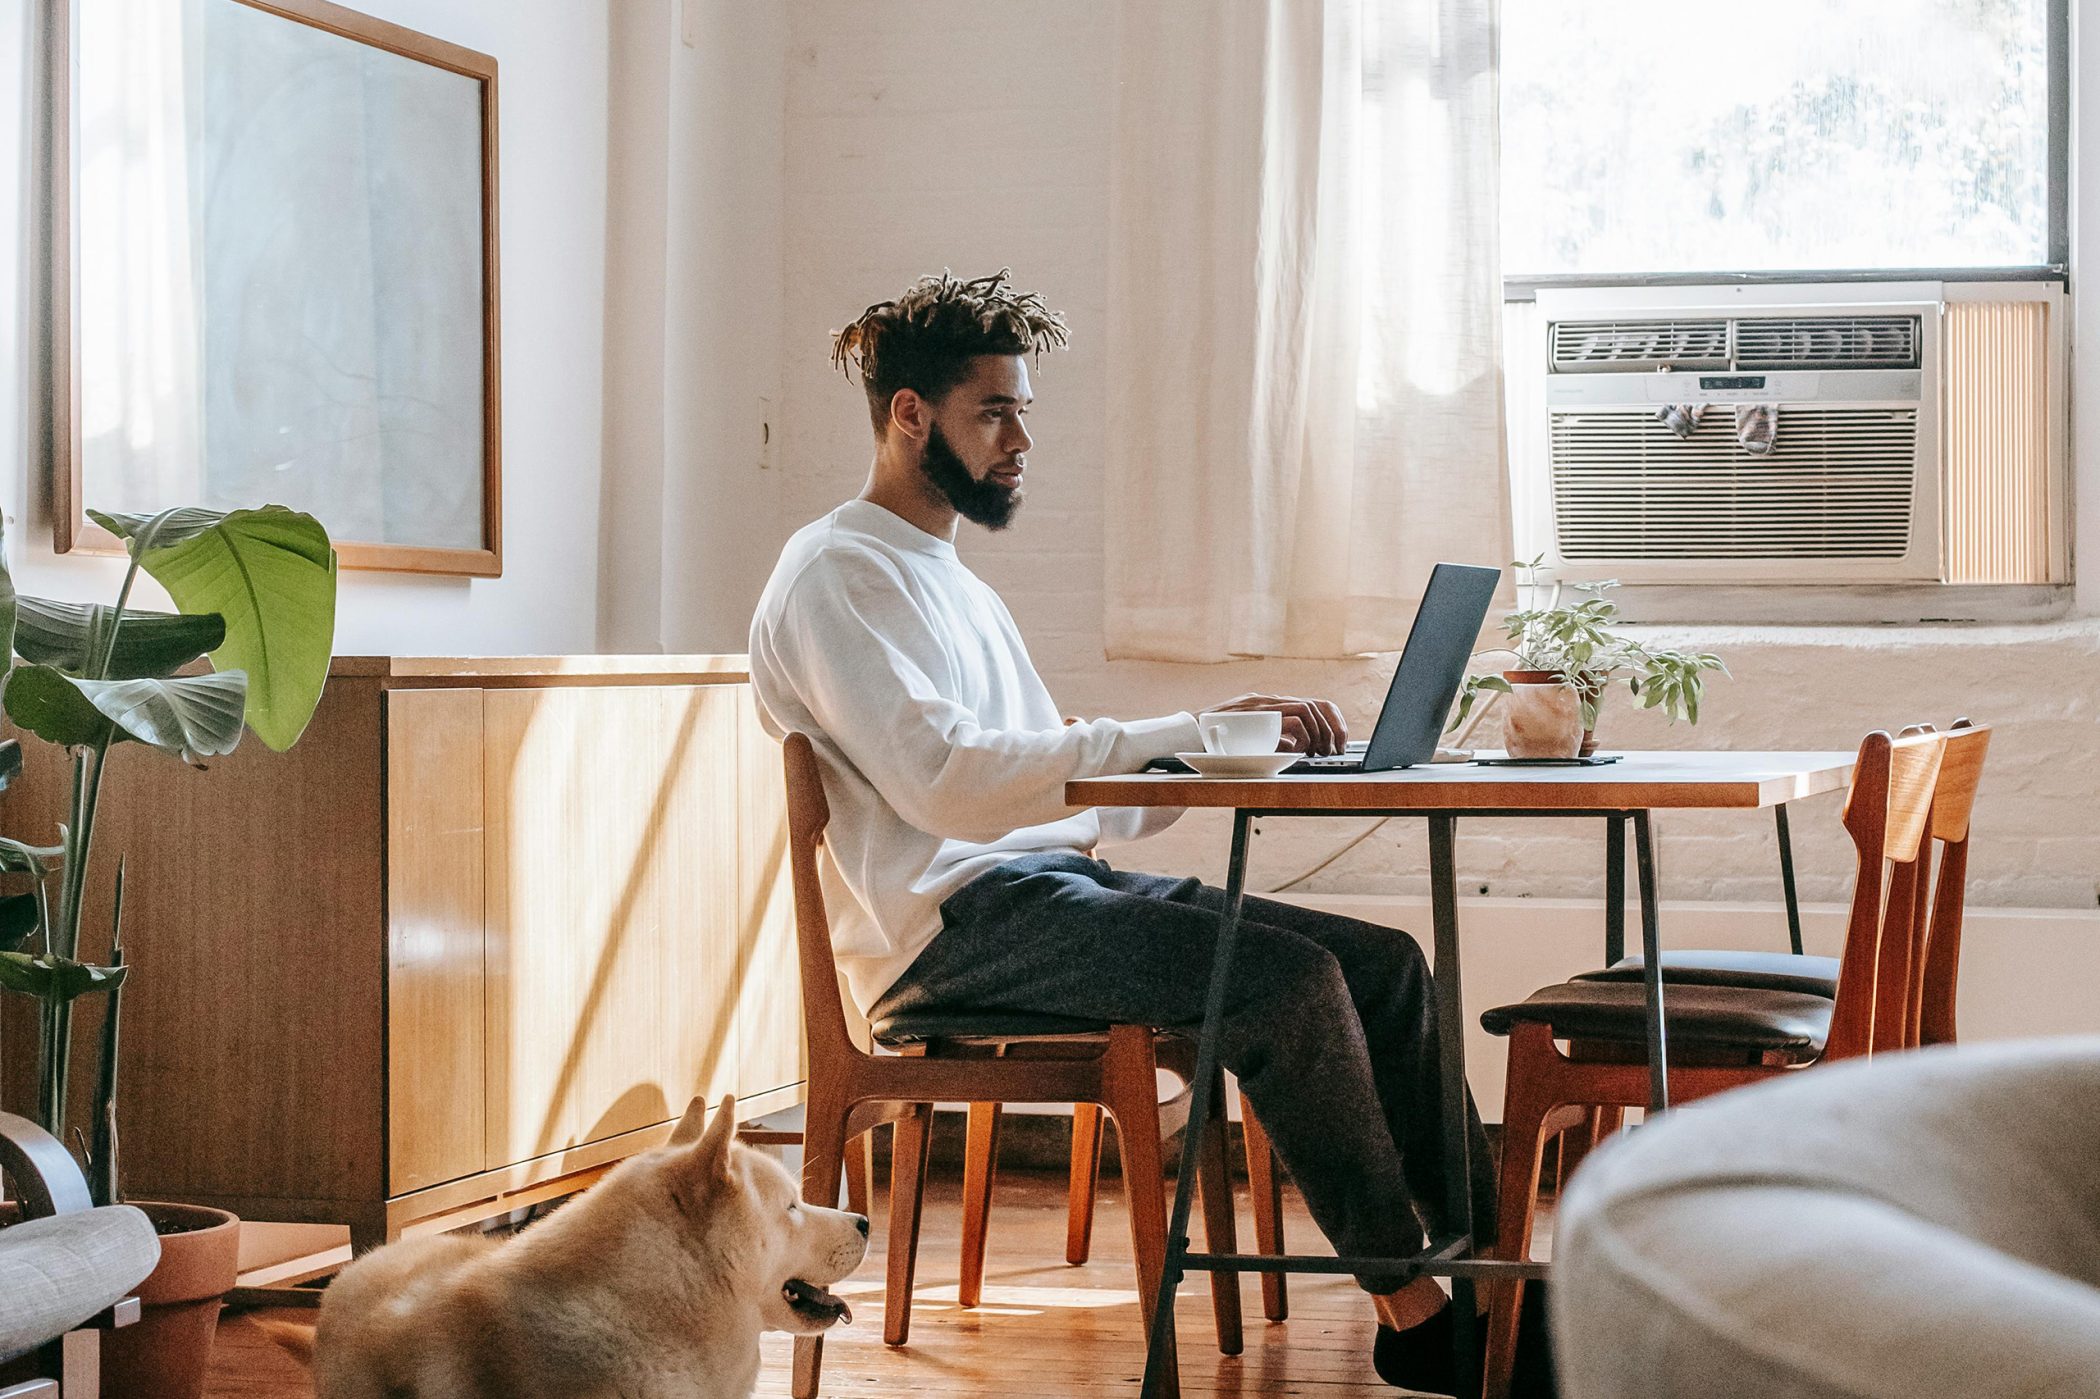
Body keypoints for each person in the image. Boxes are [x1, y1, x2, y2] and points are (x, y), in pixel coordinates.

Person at [748, 269, 1495, 1393]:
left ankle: (1499, 1281)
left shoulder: (947, 578)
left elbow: (1055, 775)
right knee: (1285, 987)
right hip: (954, 933)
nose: (1019, 443)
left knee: (1383, 967)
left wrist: (1223, 749)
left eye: (1023, 414)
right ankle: (1415, 1310)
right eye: (994, 411)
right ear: (910, 414)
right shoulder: (835, 575)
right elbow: (949, 783)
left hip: (1050, 893)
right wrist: (1178, 730)